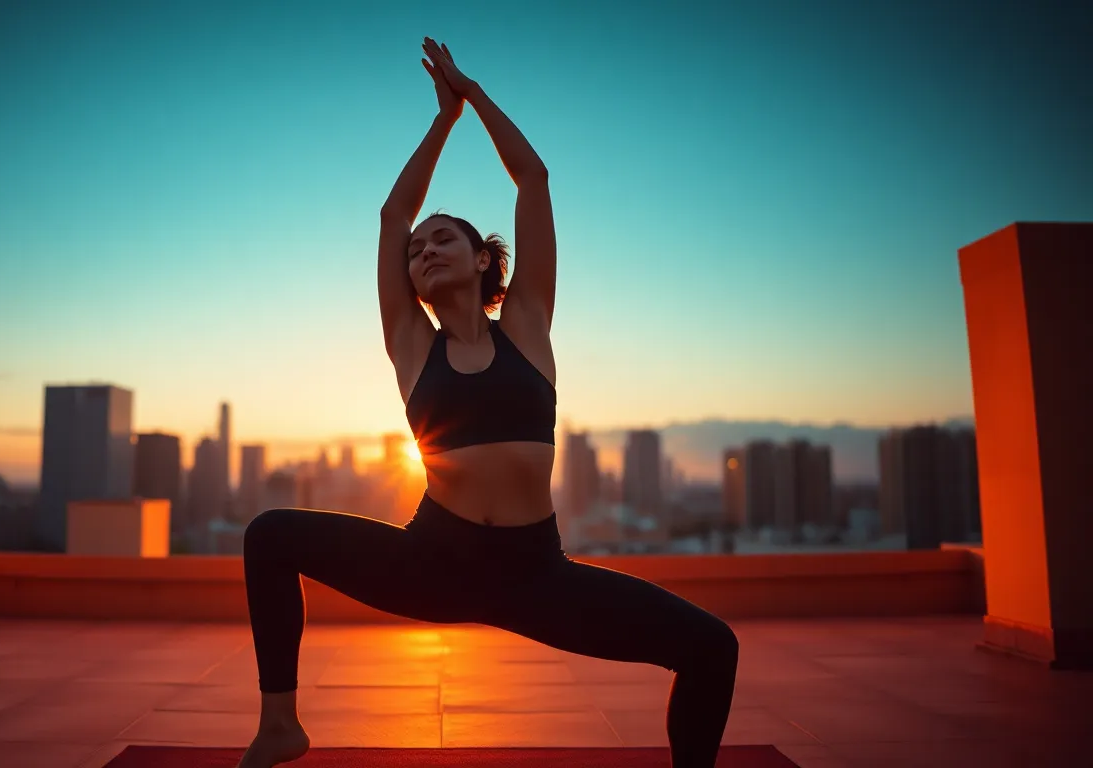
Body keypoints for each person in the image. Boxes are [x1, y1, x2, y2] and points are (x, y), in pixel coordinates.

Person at [235, 37, 739, 768]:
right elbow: (390, 216)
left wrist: (469, 96)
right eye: (417, 252)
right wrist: (438, 124)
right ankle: (279, 724)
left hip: (536, 573)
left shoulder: (528, 326)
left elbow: (532, 180)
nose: (425, 249)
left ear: (482, 261)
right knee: (268, 534)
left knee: (711, 647)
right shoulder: (412, 344)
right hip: (432, 559)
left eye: (443, 239)